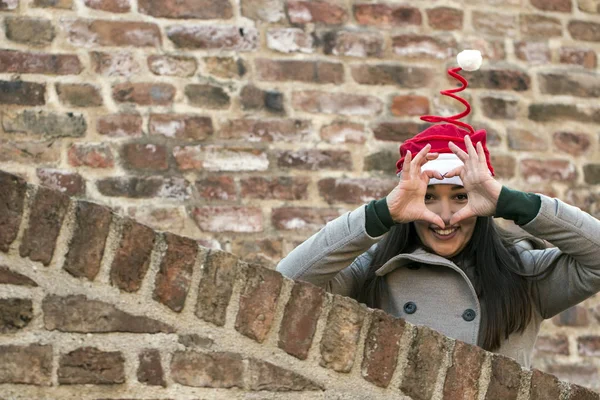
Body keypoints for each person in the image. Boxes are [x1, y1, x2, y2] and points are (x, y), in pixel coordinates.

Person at [276, 51, 600, 368]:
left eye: (460, 197)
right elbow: (285, 284)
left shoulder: (524, 275)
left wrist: (508, 202)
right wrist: (382, 213)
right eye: (429, 197)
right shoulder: (374, 272)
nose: (445, 216)